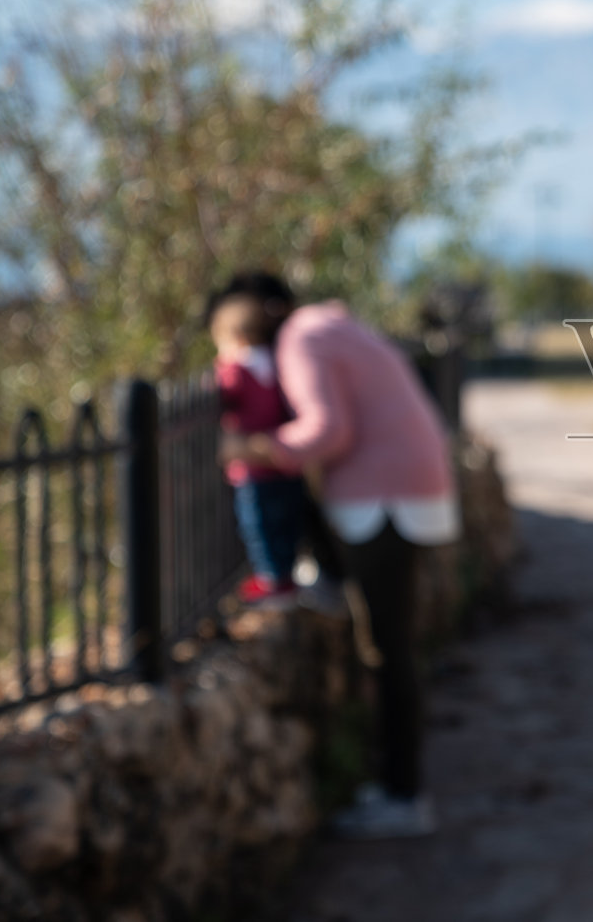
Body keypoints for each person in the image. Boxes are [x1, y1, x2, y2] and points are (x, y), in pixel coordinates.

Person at [215, 270, 459, 841]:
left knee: (387, 650)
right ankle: (396, 787)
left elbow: (328, 431)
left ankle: (403, 796)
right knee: (386, 643)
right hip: (409, 490)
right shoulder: (333, 327)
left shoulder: (304, 339)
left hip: (385, 500)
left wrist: (251, 447)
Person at [207, 291, 305, 604]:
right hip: (283, 462)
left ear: (234, 337)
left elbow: (224, 390)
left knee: (258, 526)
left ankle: (270, 579)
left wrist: (219, 369)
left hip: (252, 466)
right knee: (286, 523)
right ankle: (286, 576)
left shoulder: (236, 369)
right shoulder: (276, 365)